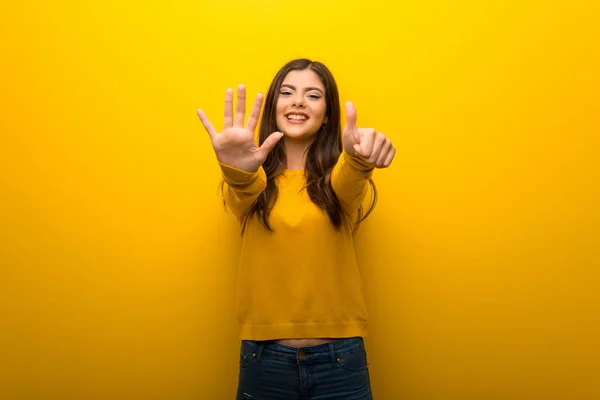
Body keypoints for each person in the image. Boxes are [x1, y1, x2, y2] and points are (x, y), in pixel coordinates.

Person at [197, 58, 395, 399]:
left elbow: (351, 178)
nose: (298, 101)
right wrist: (235, 169)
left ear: (328, 114)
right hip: (264, 360)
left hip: (340, 361)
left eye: (313, 95)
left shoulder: (338, 183)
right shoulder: (253, 184)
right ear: (274, 106)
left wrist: (360, 158)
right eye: (287, 92)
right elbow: (242, 190)